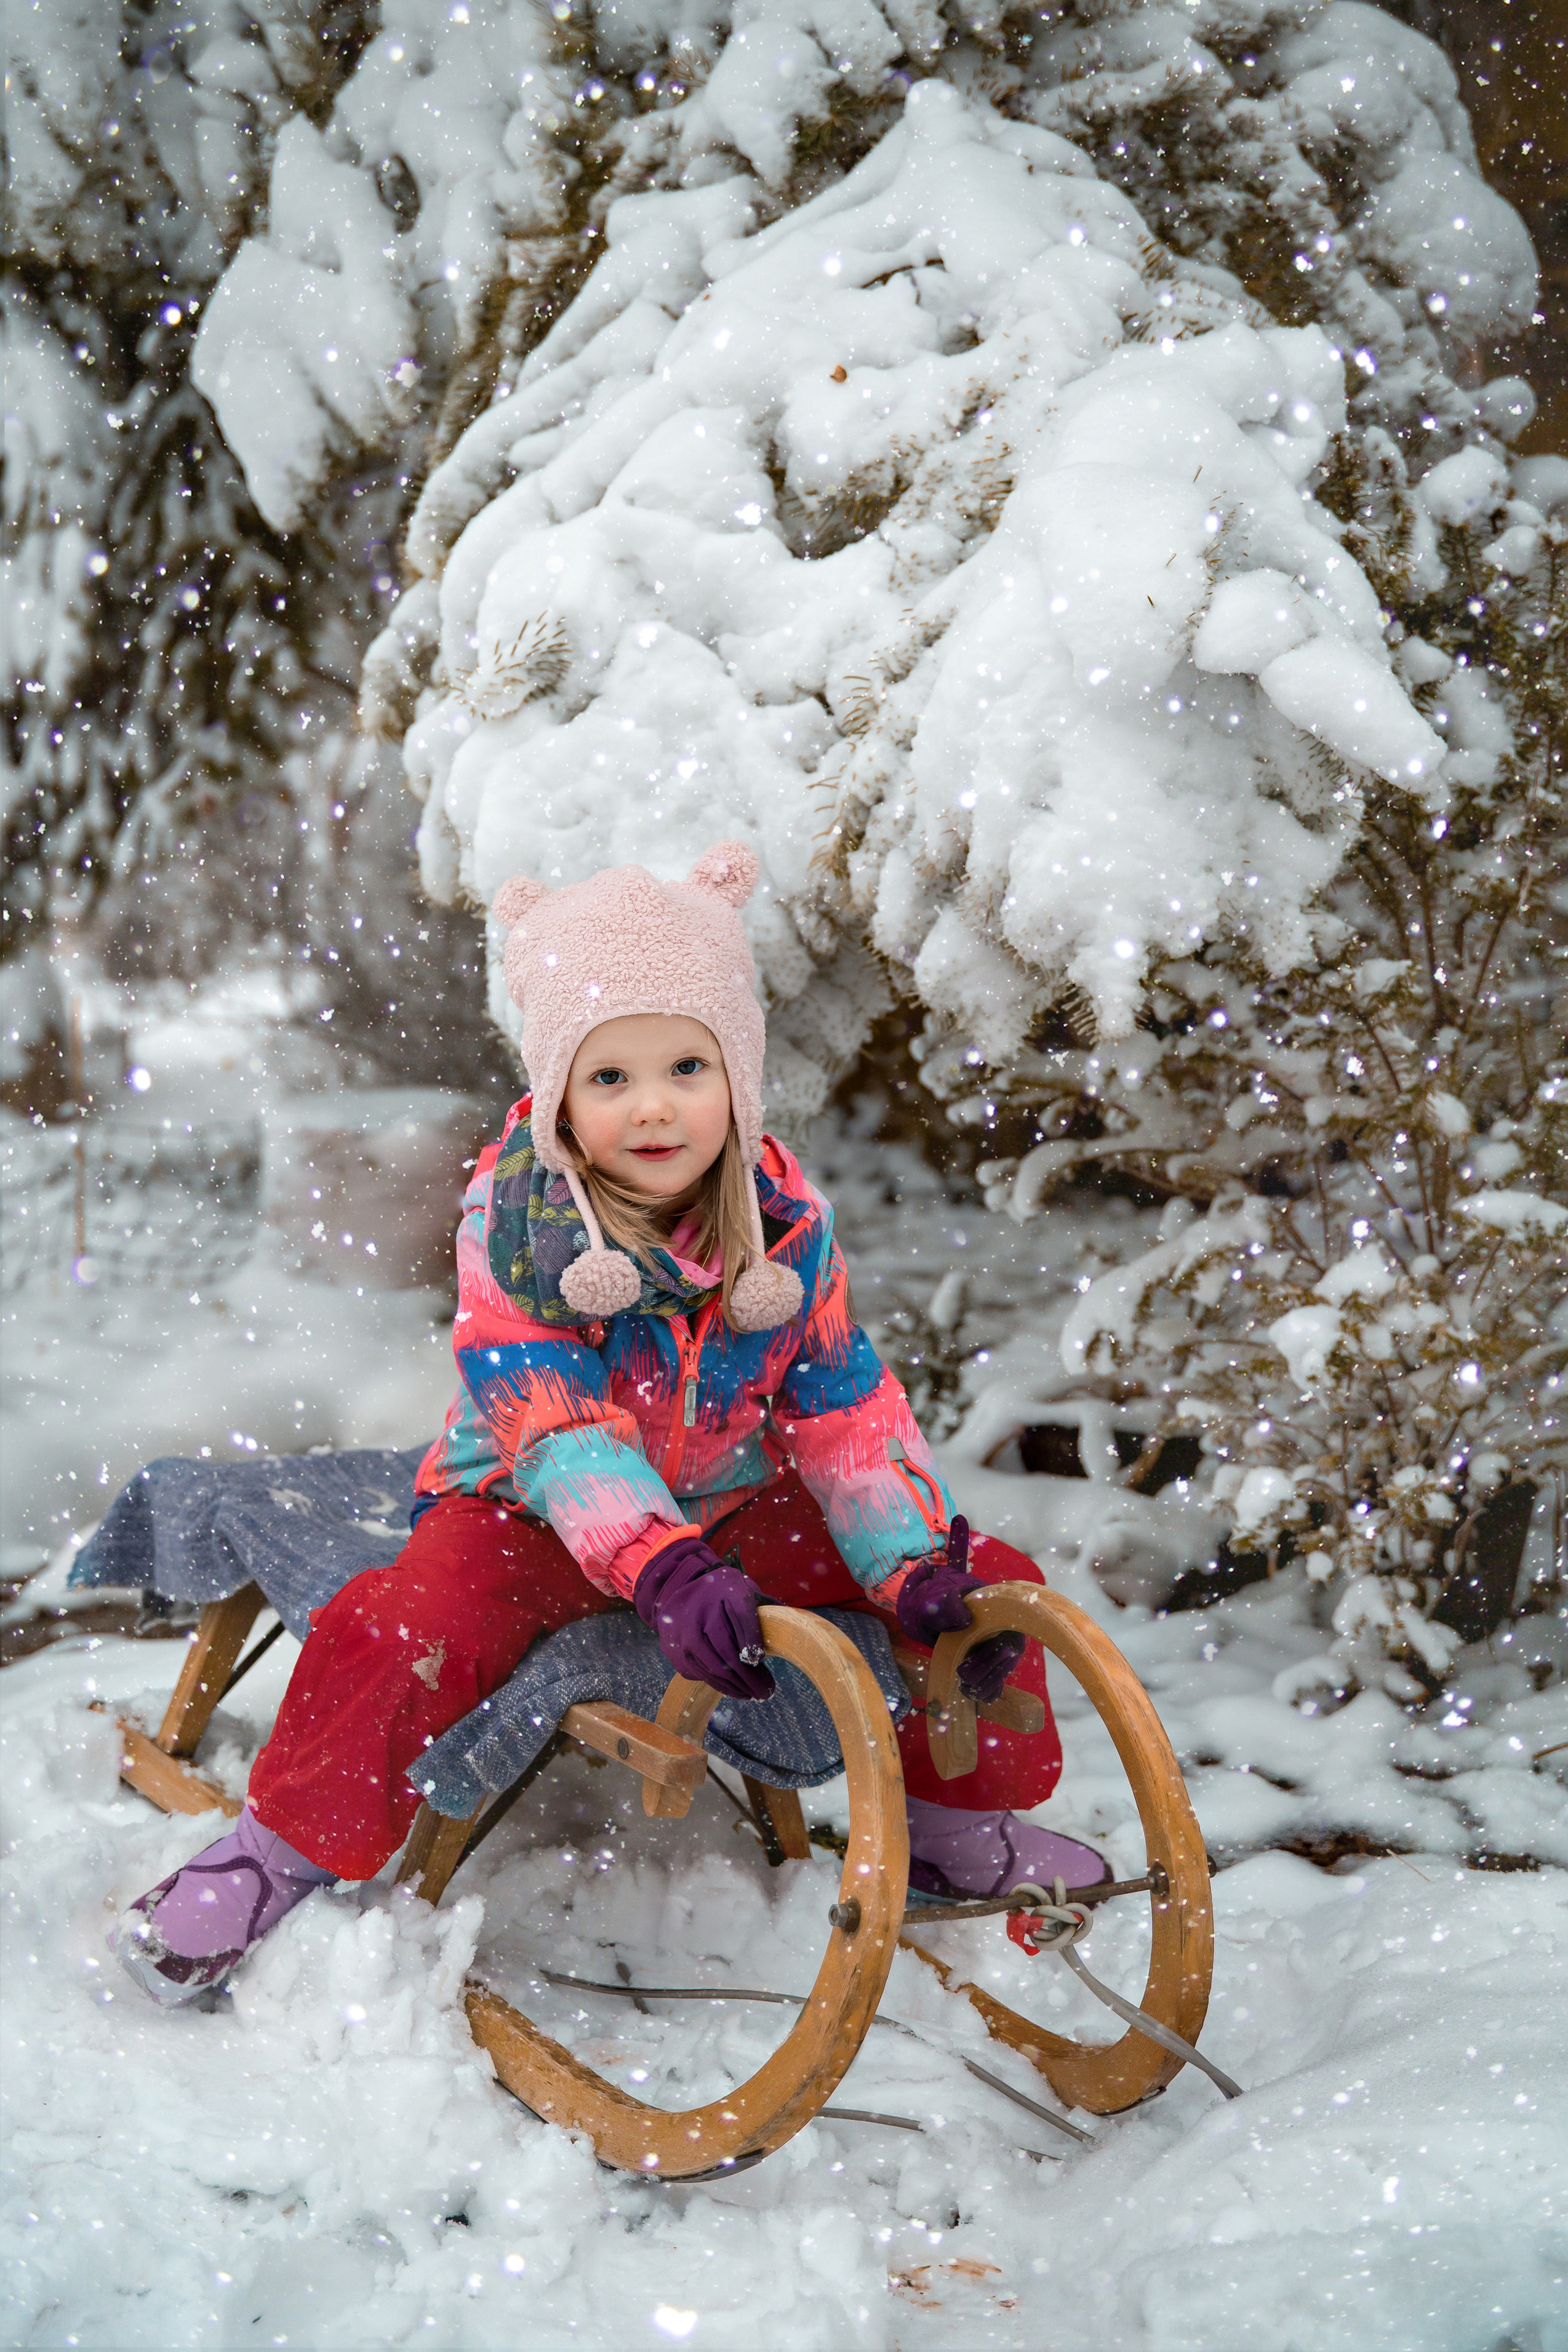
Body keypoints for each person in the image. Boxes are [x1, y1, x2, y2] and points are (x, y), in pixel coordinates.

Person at [114, 845, 1107, 2007]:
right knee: (399, 1629)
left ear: (738, 1074)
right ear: (560, 1097)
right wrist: (660, 1564)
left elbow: (842, 1412)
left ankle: (954, 1832)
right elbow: (559, 1426)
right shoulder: (517, 1226)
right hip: (528, 1508)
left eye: (688, 1065)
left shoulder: (786, 1224)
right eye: (610, 1076)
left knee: (988, 1587)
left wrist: (911, 1567)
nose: (653, 1105)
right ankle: (275, 1852)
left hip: (725, 1499)